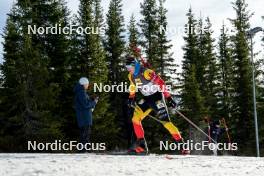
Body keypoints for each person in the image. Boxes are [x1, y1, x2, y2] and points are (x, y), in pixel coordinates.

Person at [126, 56, 189, 155]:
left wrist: (168, 98)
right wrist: (131, 97)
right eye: (126, 67)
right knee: (135, 119)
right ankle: (142, 146)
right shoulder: (131, 76)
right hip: (146, 99)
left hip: (157, 98)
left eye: (129, 67)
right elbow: (133, 86)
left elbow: (161, 83)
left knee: (166, 122)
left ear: (135, 65)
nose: (128, 69)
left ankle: (183, 146)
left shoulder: (146, 72)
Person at [74, 77, 98, 152]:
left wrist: (92, 100)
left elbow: (85, 103)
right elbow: (85, 104)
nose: (88, 85)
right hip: (84, 117)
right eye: (87, 84)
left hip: (83, 117)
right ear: (84, 84)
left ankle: (85, 150)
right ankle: (84, 150)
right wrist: (94, 102)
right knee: (85, 134)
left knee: (85, 134)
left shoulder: (81, 92)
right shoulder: (81, 92)